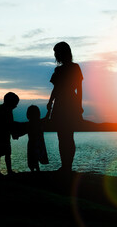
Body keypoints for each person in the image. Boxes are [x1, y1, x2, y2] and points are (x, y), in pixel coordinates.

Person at [46, 41, 83, 172]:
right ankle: (65, 165)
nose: (55, 55)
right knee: (62, 136)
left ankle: (68, 166)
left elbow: (79, 89)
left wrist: (79, 106)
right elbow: (55, 89)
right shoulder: (58, 70)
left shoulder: (75, 68)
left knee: (68, 136)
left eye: (56, 52)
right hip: (60, 104)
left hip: (69, 104)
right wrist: (50, 103)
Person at [0, 92, 19, 177]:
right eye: (15, 104)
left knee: (2, 154)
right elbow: (10, 124)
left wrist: (13, 133)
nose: (15, 106)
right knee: (2, 155)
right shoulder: (5, 110)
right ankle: (2, 171)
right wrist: (14, 134)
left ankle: (3, 171)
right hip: (0, 136)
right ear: (10, 103)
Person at [26, 105, 49, 172]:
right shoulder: (39, 122)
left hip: (32, 143)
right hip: (38, 143)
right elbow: (46, 118)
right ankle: (37, 169)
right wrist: (49, 109)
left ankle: (33, 170)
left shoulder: (29, 123)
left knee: (32, 157)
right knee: (36, 156)